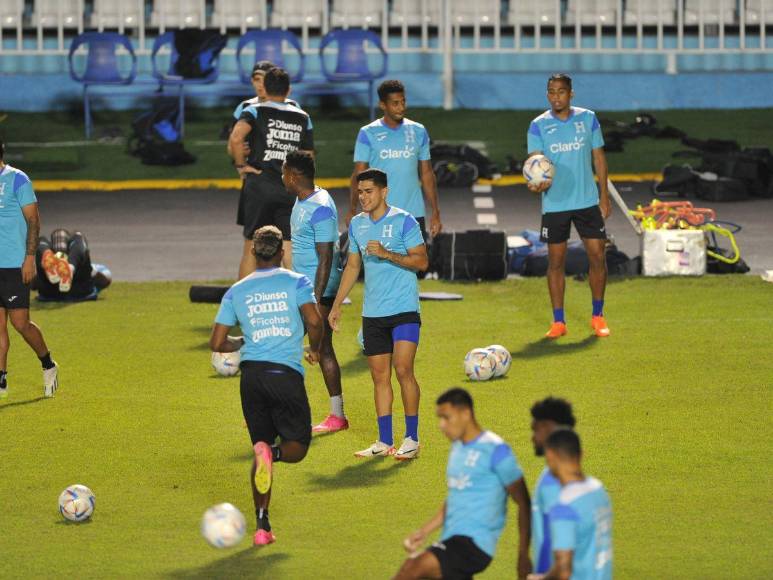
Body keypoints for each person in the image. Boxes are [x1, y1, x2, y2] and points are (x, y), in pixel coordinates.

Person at [209, 225, 324, 546]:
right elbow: (314, 321)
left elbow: (217, 341)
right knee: (296, 448)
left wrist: (244, 341)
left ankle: (262, 526)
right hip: (284, 375)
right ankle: (271, 452)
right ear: (281, 253)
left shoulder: (236, 290)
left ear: (253, 252)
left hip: (252, 378)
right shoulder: (296, 282)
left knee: (260, 450)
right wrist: (315, 348)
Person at [329, 169, 427, 460]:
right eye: (360, 192)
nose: (363, 197)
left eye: (369, 191)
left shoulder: (404, 220)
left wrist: (388, 254)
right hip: (373, 314)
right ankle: (385, 441)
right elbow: (352, 267)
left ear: (384, 192)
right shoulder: (357, 225)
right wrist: (336, 305)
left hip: (405, 310)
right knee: (379, 377)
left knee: (403, 370)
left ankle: (412, 438)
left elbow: (422, 261)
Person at [395, 388, 532, 580]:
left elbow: (524, 502)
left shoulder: (495, 450)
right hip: (452, 538)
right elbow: (455, 496)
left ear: (465, 414)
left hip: (476, 543)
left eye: (446, 417)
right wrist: (424, 531)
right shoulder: (457, 449)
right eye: (439, 418)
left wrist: (523, 554)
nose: (441, 425)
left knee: (413, 569)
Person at [526, 73, 611, 339]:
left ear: (571, 93)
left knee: (597, 255)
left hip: (587, 201)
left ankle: (597, 316)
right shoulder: (538, 125)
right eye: (551, 92)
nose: (555, 97)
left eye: (561, 92)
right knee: (556, 262)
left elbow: (599, 158)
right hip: (555, 204)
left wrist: (604, 196)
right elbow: (534, 164)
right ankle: (558, 321)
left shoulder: (588, 118)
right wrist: (535, 183)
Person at [283, 150, 348, 433]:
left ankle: (336, 416)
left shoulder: (320, 207)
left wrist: (316, 300)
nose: (282, 177)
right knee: (298, 348)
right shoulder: (302, 201)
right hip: (303, 286)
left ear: (294, 176)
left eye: (284, 172)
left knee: (321, 350)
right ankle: (331, 415)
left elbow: (326, 258)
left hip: (318, 289)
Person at [229, 67, 314, 277]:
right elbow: (309, 157)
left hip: (260, 186)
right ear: (289, 90)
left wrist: (241, 165)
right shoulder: (302, 116)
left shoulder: (254, 110)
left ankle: (243, 304)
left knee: (252, 244)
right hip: (290, 188)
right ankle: (301, 301)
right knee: (289, 245)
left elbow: (236, 138)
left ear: (265, 88)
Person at [349, 79, 442, 244]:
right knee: (380, 266)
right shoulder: (367, 133)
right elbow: (359, 175)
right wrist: (352, 209)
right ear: (383, 105)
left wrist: (435, 212)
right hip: (380, 213)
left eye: (403, 102)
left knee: (415, 266)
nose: (401, 107)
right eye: (395, 103)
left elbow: (427, 173)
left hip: (414, 214)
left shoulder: (419, 131)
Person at [0, 139, 58, 399]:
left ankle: (48, 364)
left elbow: (33, 220)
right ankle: (1, 380)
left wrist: (30, 257)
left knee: (20, 323)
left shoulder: (17, 179)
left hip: (14, 264)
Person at [527, 430, 612, 580]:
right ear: (581, 454)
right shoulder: (598, 490)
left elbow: (563, 569)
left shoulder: (564, 507)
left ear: (551, 456)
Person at [530, 397, 577, 576]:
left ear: (548, 428)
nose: (532, 437)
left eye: (535, 429)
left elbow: (551, 541)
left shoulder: (554, 482)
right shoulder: (589, 485)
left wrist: (541, 575)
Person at [227, 60, 301, 160]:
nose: (260, 85)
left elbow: (302, 143)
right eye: (257, 79)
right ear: (252, 81)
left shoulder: (292, 106)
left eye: (265, 79)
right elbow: (230, 148)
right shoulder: (244, 107)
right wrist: (239, 151)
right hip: (255, 170)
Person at [35, 229, 112, 301]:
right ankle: (68, 268)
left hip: (50, 293)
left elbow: (32, 285)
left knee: (41, 240)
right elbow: (107, 278)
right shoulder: (89, 264)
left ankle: (65, 266)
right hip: (80, 292)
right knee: (78, 236)